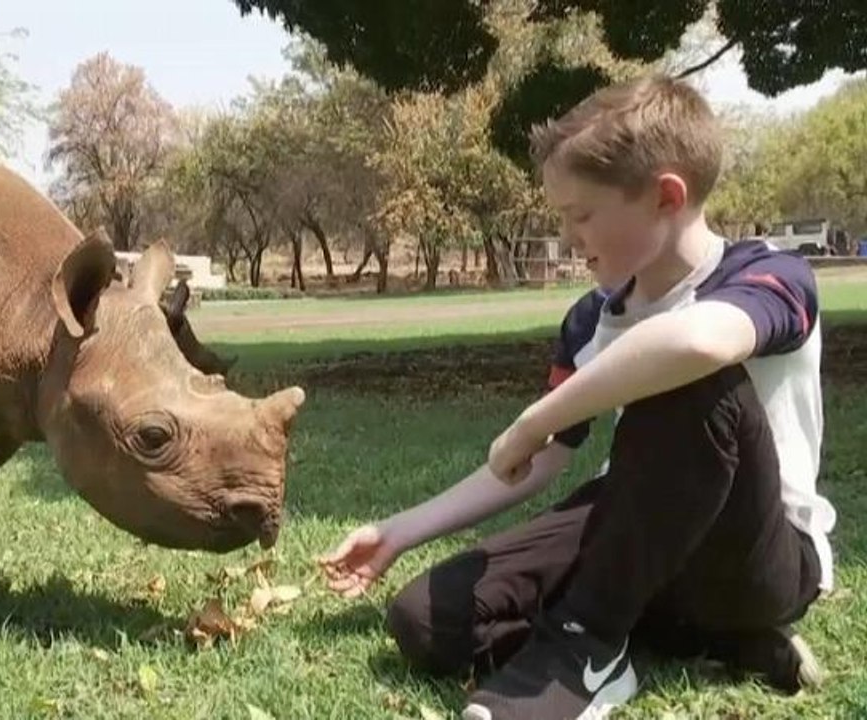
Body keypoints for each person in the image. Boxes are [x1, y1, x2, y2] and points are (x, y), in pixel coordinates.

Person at [318, 73, 836, 720]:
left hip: (756, 557)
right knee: (427, 619)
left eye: (581, 215)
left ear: (666, 197)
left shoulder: (769, 274)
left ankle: (586, 648)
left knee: (690, 380)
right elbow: (536, 462)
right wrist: (398, 532)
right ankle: (695, 640)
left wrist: (534, 419)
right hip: (632, 531)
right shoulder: (591, 318)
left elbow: (698, 343)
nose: (568, 238)